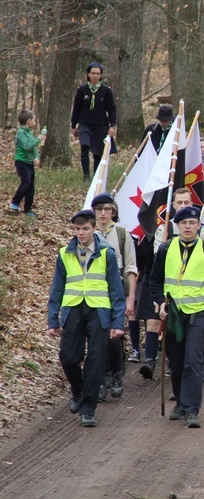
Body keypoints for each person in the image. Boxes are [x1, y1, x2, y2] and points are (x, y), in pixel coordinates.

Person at [47, 210, 125, 427]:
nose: (80, 233)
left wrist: (118, 323)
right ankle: (78, 390)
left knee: (96, 360)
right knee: (69, 357)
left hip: (99, 311)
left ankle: (88, 409)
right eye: (77, 229)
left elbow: (116, 291)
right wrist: (53, 320)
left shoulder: (107, 253)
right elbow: (57, 289)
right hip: (72, 310)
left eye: (85, 229)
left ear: (93, 228)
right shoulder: (65, 253)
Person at [150, 206, 204, 428]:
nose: (188, 227)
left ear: (198, 225)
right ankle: (180, 403)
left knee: (193, 360)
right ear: (177, 226)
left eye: (192, 223)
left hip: (198, 313)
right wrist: (161, 303)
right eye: (183, 223)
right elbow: (154, 282)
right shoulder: (165, 249)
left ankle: (192, 410)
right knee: (177, 362)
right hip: (172, 315)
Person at [91, 193, 137, 402]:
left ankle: (116, 373)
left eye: (107, 209)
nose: (103, 213)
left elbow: (130, 267)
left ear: (114, 211)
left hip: (116, 293)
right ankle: (100, 378)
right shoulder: (87, 234)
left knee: (114, 337)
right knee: (96, 339)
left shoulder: (122, 235)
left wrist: (130, 298)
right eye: (99, 209)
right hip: (93, 293)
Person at [71, 62, 117, 182]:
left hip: (101, 125)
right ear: (88, 74)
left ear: (101, 75)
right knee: (85, 146)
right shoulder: (82, 90)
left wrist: (113, 125)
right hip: (85, 124)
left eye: (98, 73)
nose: (95, 76)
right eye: (93, 73)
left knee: (98, 153)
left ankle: (97, 176)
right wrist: (73, 125)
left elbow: (112, 109)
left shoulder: (106, 90)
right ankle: (86, 175)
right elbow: (76, 108)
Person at [10, 110, 45, 218]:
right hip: (21, 162)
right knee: (26, 182)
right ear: (29, 121)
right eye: (34, 119)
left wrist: (36, 157)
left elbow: (33, 148)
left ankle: (27, 209)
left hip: (29, 163)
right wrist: (38, 139)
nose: (35, 121)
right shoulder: (21, 133)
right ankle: (15, 203)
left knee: (31, 187)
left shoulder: (29, 132)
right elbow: (26, 146)